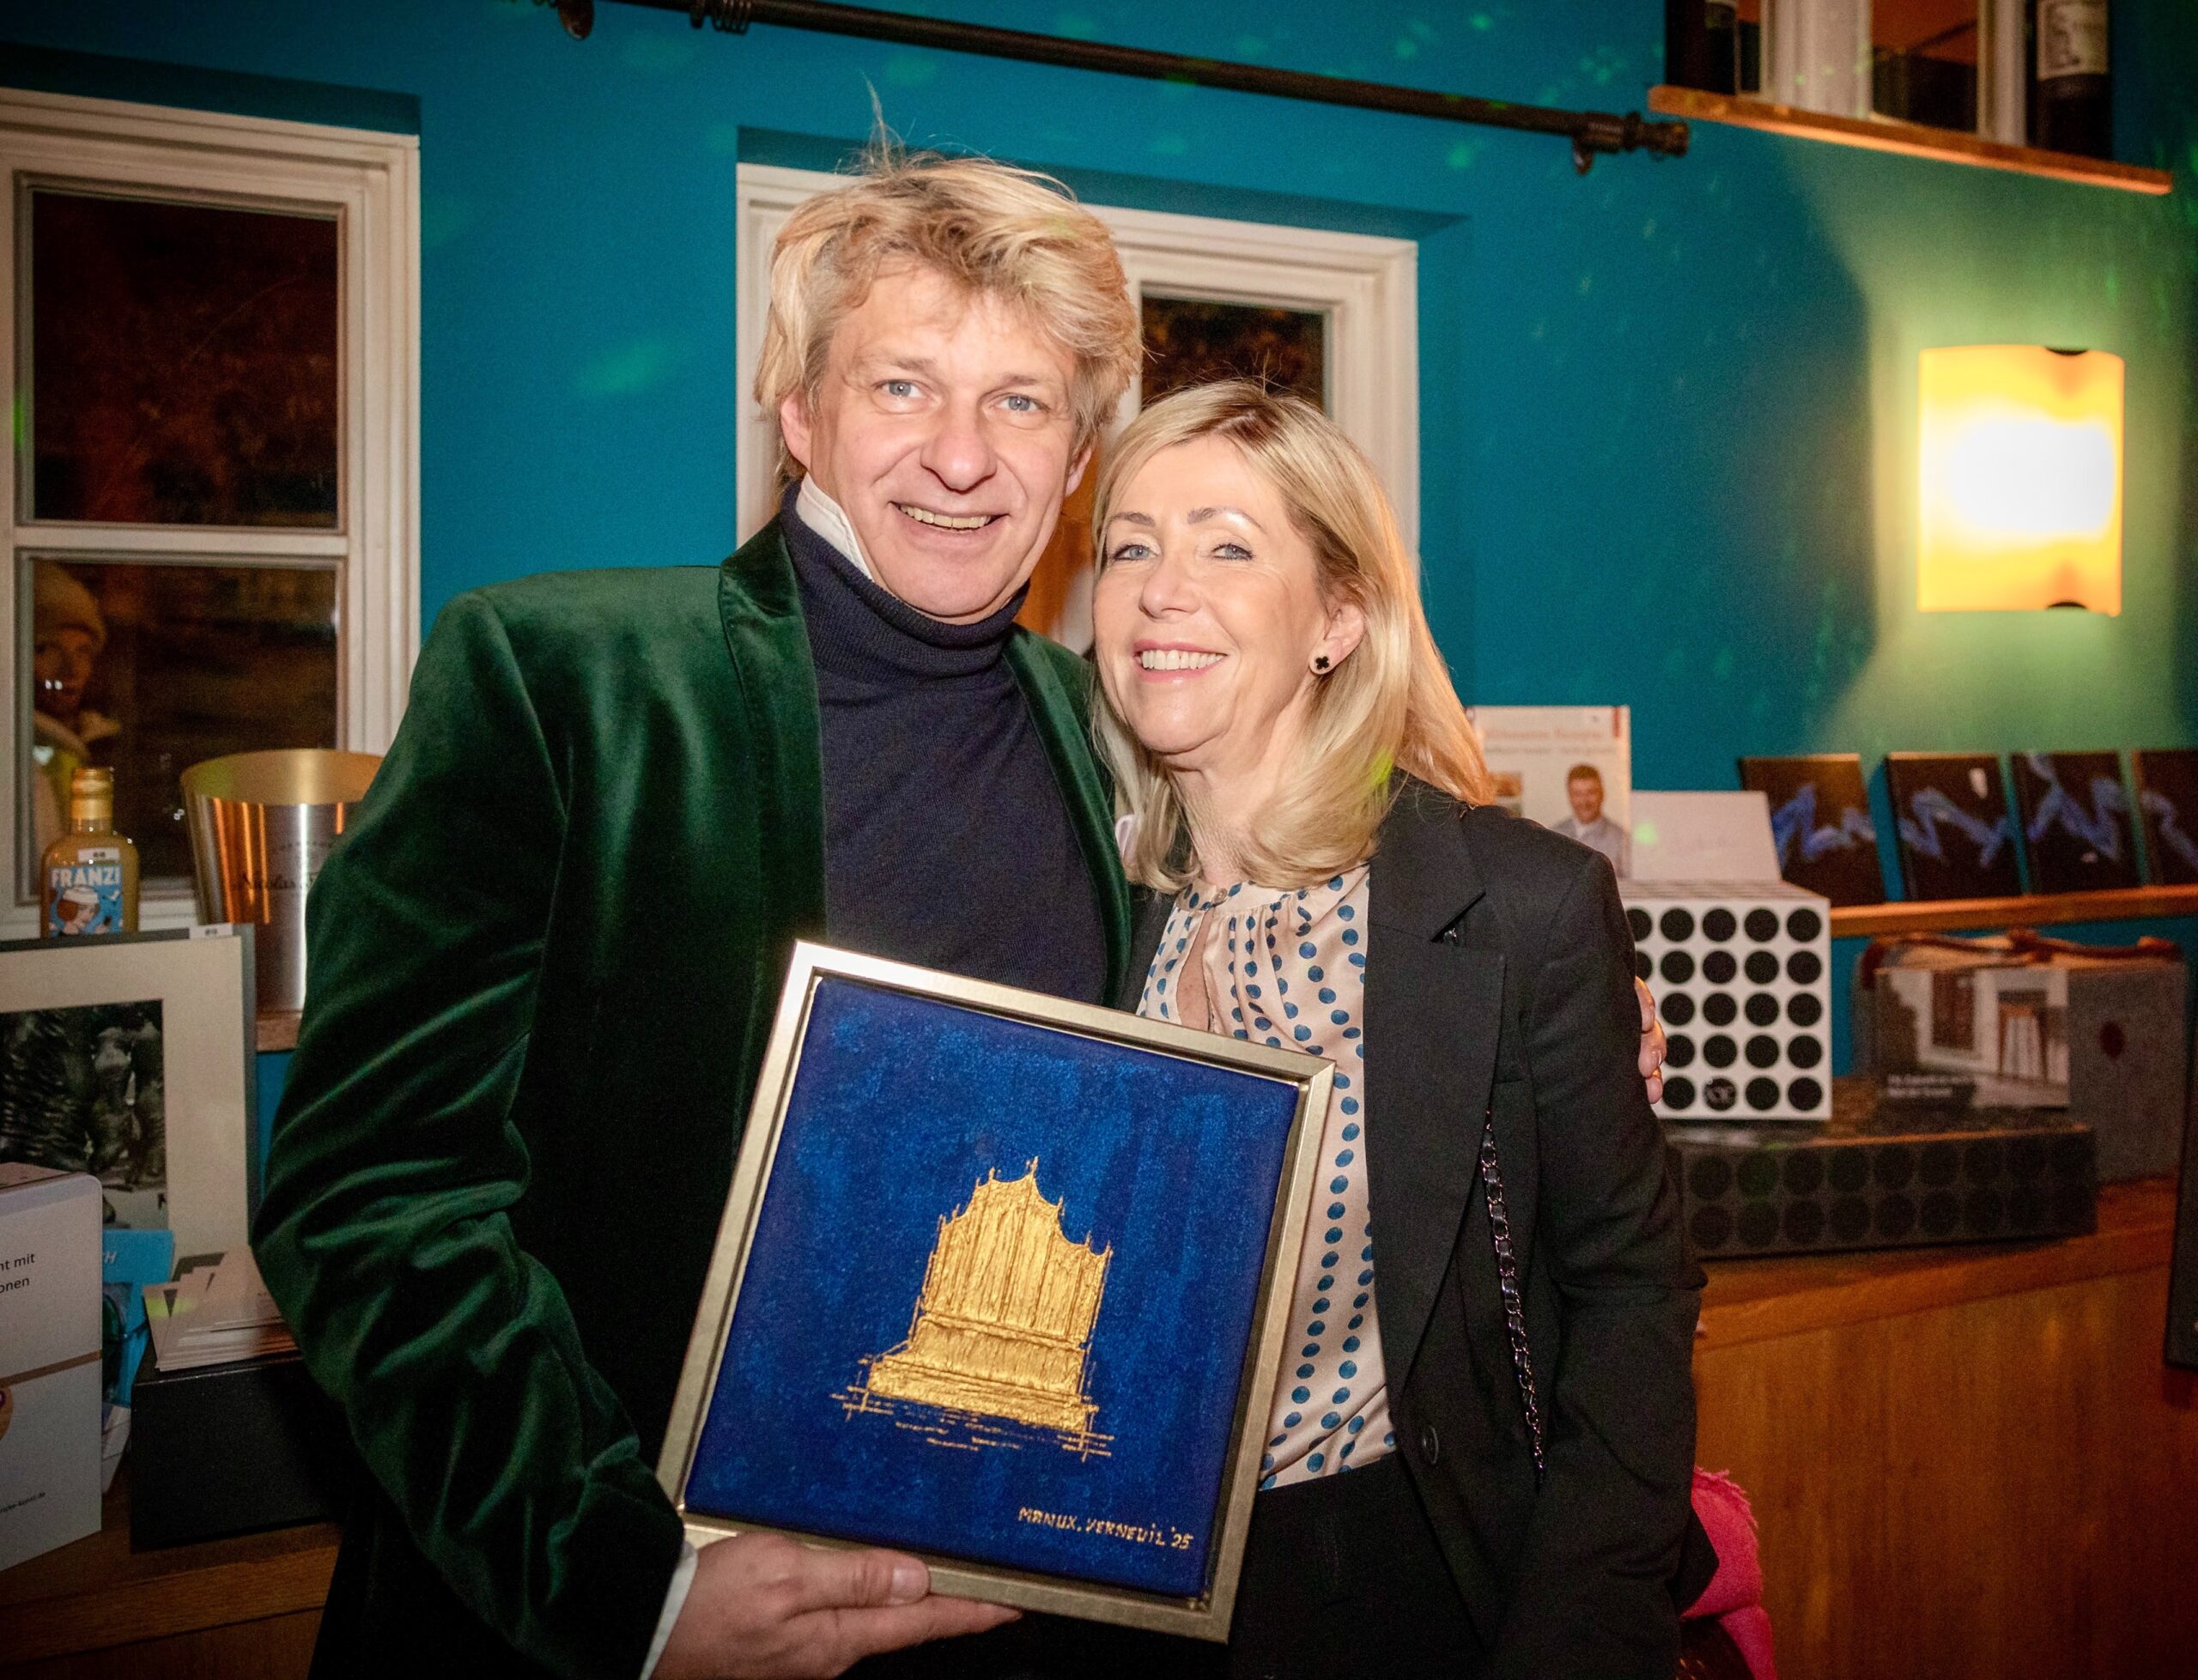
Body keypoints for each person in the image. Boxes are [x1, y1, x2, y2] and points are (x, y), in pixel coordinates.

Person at [253, 151, 1667, 1680]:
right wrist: (627, 1588)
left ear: (1074, 459)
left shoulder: (1105, 734)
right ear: (800, 412)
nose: (960, 455)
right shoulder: (564, 682)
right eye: (903, 386)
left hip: (1018, 1614)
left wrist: (1538, 1007)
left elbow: (1325, 829)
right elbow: (367, 1197)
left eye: (1020, 402)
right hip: (607, 1626)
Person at [1086, 383, 1709, 1677]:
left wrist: (1582, 1637)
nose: (1161, 589)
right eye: (1130, 546)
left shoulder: (1513, 905)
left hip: (1387, 1586)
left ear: (1337, 618)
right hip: (1101, 1589)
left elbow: (1630, 1290)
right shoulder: (1080, 893)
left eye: (1226, 546)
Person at [30, 562, 120, 855]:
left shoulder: (104, 743)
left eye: (82, 652)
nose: (71, 669)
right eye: (46, 650)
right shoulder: (21, 753)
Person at [1552, 761, 1629, 873]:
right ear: (1570, 796)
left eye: (1591, 792)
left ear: (1602, 794)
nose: (1585, 801)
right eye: (1578, 794)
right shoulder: (1554, 836)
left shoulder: (1622, 840)